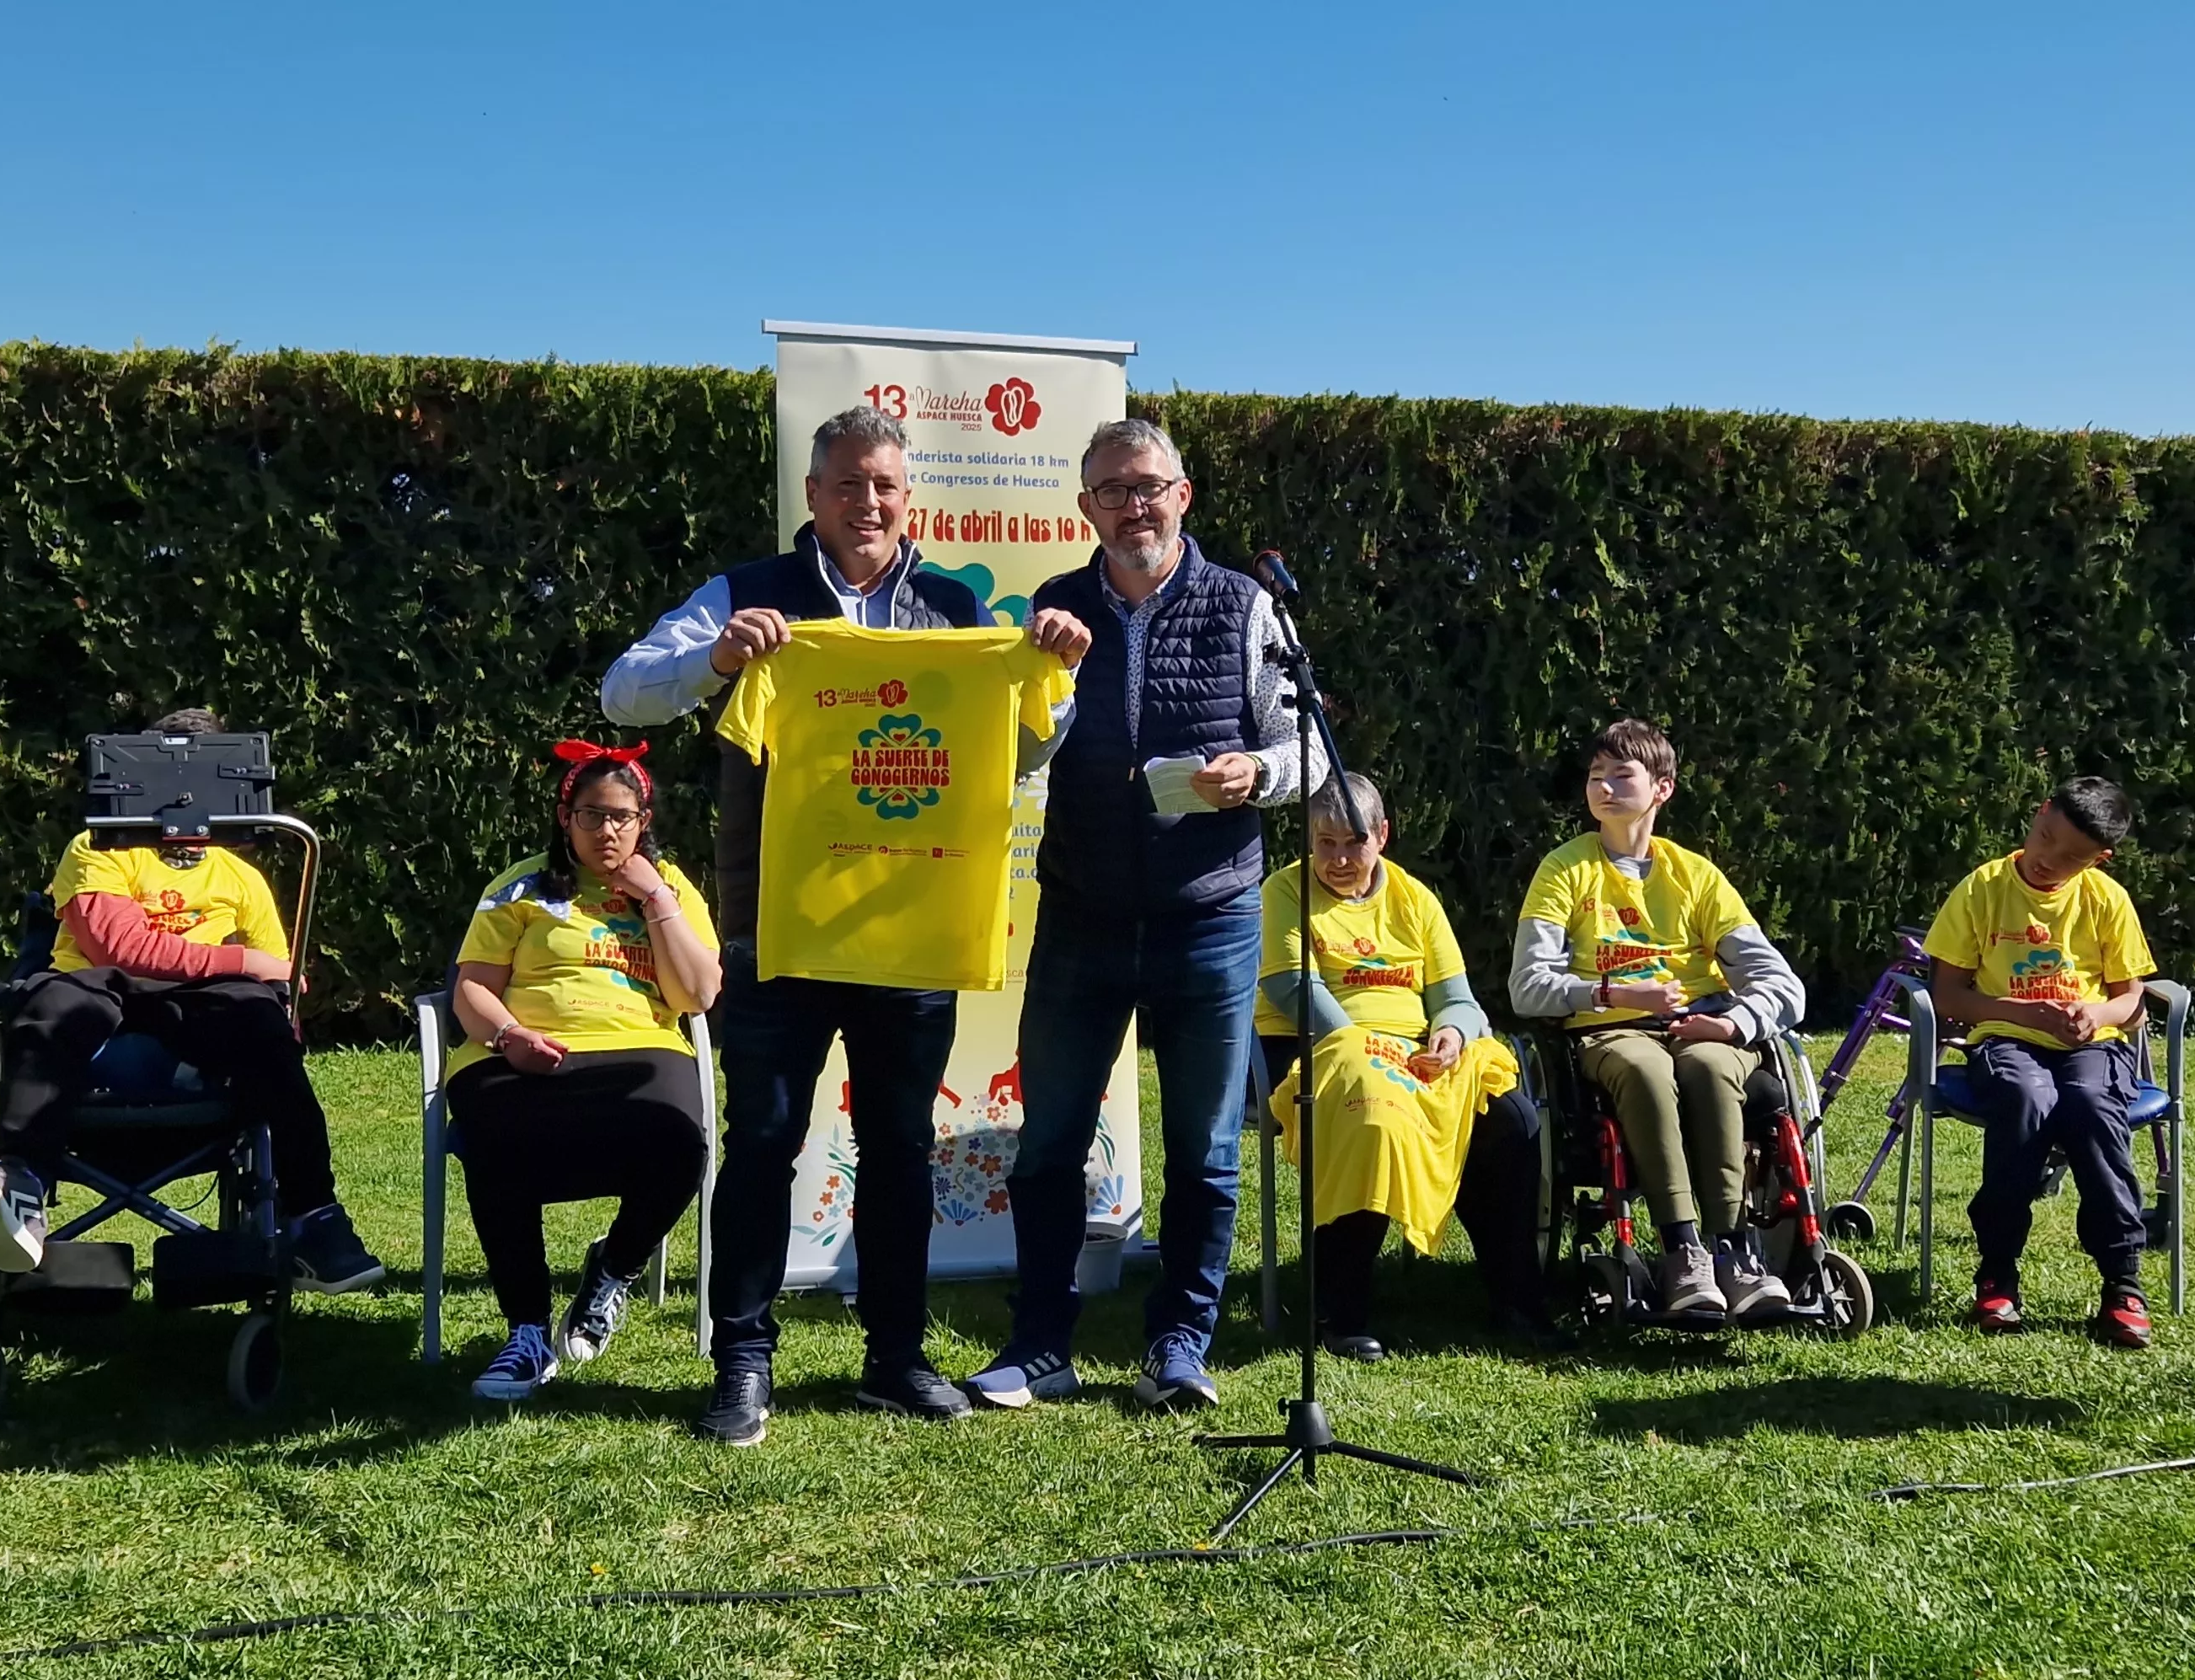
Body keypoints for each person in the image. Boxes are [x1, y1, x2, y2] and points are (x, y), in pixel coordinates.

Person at [602, 405, 1089, 1445]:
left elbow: (1025, 754)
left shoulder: (957, 606)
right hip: (777, 926)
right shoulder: (745, 595)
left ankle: (894, 1356)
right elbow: (622, 695)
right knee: (764, 1140)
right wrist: (719, 661)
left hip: (911, 927)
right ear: (811, 495)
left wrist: (1059, 671)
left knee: (900, 1147)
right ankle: (741, 1359)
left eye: (884, 485)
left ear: (906, 498)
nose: (867, 502)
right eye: (846, 483)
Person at [970, 416, 1326, 1411]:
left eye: (1148, 485)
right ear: (1084, 507)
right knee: (1046, 1142)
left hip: (1208, 919)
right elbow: (1021, 757)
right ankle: (1039, 1342)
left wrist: (1254, 770)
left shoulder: (1249, 607)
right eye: (1111, 489)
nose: (1132, 504)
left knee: (1206, 1150)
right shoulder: (1053, 606)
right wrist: (1049, 679)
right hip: (1082, 914)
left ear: (1183, 496)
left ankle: (1180, 1344)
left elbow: (1308, 755)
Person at [0, 708, 384, 1297]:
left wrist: (268, 991)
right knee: (55, 1005)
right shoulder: (99, 848)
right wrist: (245, 962)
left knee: (264, 1030)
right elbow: (120, 948)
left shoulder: (239, 877)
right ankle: (18, 1185)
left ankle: (315, 1221)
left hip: (201, 1007)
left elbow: (285, 982)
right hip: (99, 987)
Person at [446, 741, 720, 1400]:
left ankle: (613, 1269)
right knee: (495, 1138)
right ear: (564, 816)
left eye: (624, 816)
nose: (608, 831)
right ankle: (527, 1331)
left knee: (683, 1143)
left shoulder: (672, 885)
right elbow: (471, 991)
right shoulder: (519, 887)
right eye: (592, 815)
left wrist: (655, 898)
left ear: (644, 820)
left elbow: (697, 996)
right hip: (520, 1047)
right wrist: (510, 1035)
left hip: (639, 1046)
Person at [1508, 720, 1807, 1323]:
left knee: (1711, 1065)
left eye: (1622, 775)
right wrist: (1616, 993)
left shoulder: (1696, 877)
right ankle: (1683, 1250)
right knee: (1645, 1069)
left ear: (1662, 789)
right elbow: (1527, 986)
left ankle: (1735, 1251)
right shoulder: (1564, 871)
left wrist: (1734, 1024)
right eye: (1596, 777)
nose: (1605, 789)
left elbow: (1782, 985)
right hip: (1610, 1028)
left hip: (1706, 1025)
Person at [1252, 775, 1558, 1360]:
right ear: (1308, 843)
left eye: (1354, 843)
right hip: (1319, 1043)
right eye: (1325, 844)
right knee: (1373, 1110)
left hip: (1412, 1048)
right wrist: (1368, 1048)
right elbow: (1292, 986)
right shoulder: (1284, 893)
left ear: (1383, 836)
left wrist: (1450, 1033)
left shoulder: (1415, 899)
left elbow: (1458, 999)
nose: (1339, 859)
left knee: (1510, 1121)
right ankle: (1340, 1310)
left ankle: (1516, 1297)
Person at [1921, 776, 2158, 1348]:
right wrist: (2019, 1013)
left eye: (2071, 857)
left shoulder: (2106, 899)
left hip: (2090, 1046)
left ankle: (2122, 1282)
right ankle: (1997, 1271)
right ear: (2040, 811)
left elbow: (2131, 1001)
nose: (2049, 859)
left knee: (2090, 1103)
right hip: (2006, 1040)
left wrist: (2097, 1012)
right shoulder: (1982, 889)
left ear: (2100, 859)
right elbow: (1947, 995)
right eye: (2045, 837)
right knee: (2026, 1098)